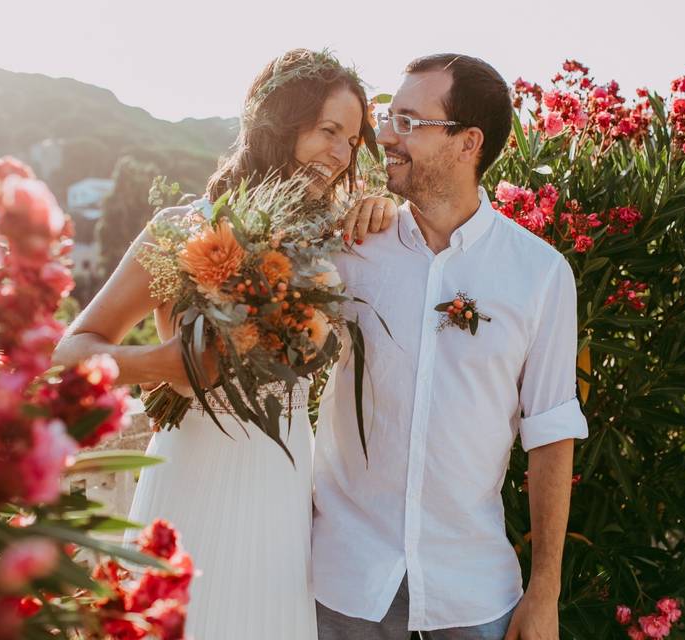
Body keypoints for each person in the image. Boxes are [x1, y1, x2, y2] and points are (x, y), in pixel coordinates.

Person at [52, 49, 397, 640]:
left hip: (280, 485)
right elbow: (70, 352)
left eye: (353, 140)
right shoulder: (180, 229)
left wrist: (384, 204)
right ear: (279, 123)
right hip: (190, 474)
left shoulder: (333, 244)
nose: (341, 154)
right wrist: (163, 363)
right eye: (327, 131)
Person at [313, 54, 589, 640]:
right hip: (342, 583)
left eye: (409, 121)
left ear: (468, 143)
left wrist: (545, 590)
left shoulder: (540, 273)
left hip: (473, 592)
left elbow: (551, 433)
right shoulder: (350, 243)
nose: (385, 133)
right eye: (390, 115)